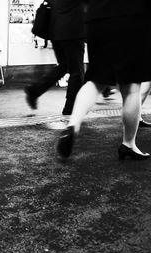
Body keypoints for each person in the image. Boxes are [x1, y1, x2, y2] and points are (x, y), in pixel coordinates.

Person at [57, 0, 151, 160]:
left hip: (97, 18)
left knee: (94, 81)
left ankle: (73, 125)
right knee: (131, 86)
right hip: (132, 17)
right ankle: (128, 144)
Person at [25, 0, 86, 115]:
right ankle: (70, 108)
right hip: (73, 31)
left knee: (64, 66)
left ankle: (35, 90)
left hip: (55, 31)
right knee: (76, 71)